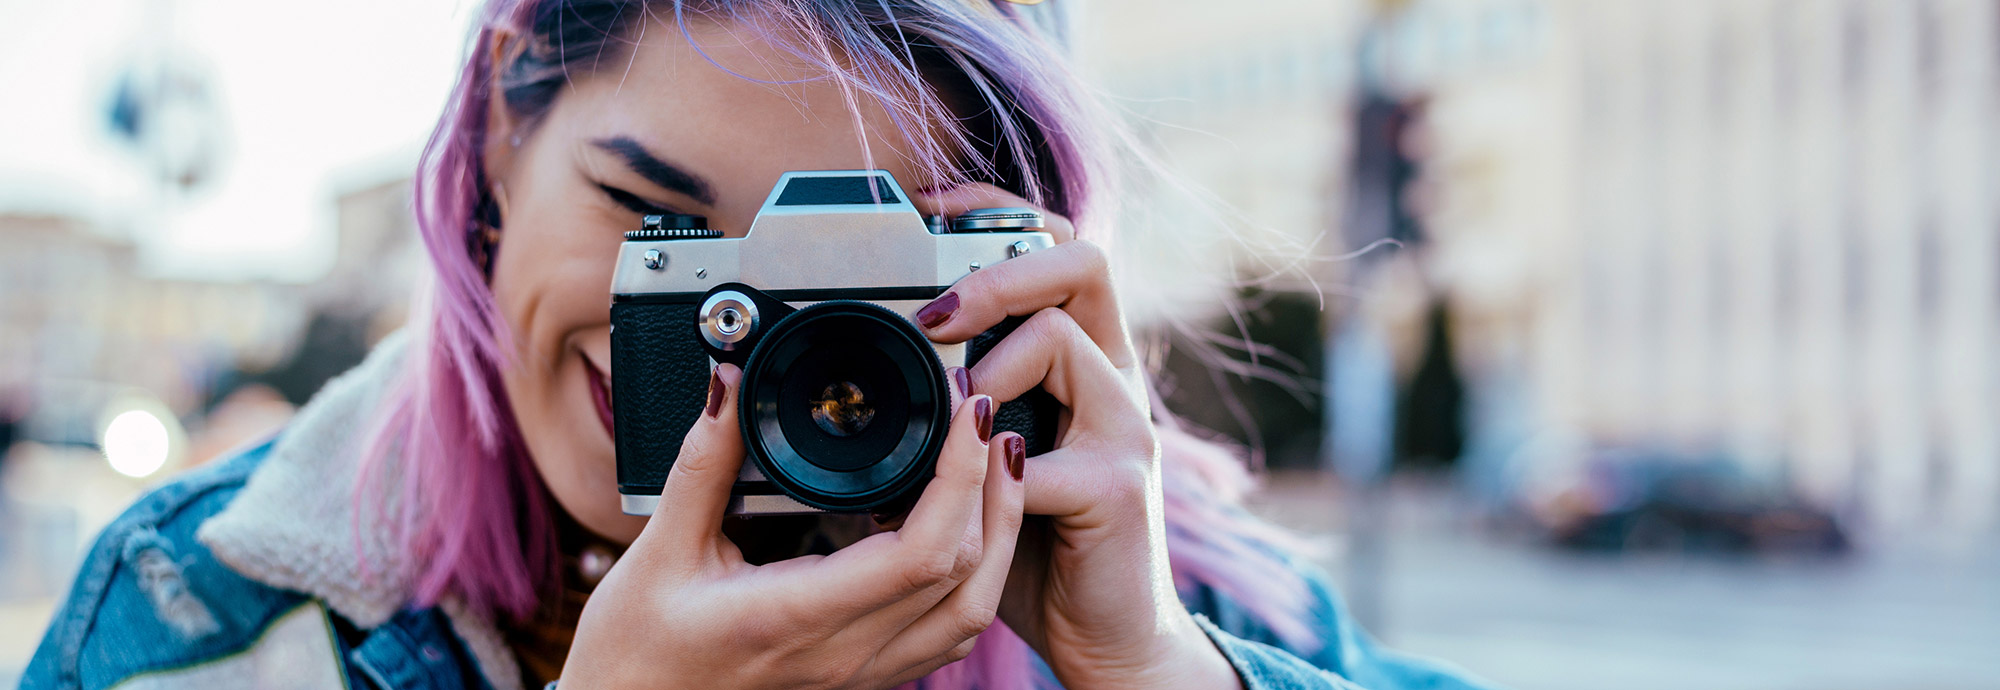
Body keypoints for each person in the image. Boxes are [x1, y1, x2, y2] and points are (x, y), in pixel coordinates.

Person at [24, 1, 1502, 688]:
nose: (754, 365)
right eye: (662, 236)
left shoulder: (1205, 608)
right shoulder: (225, 620)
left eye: (852, 297)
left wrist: (1154, 668)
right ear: (495, 136)